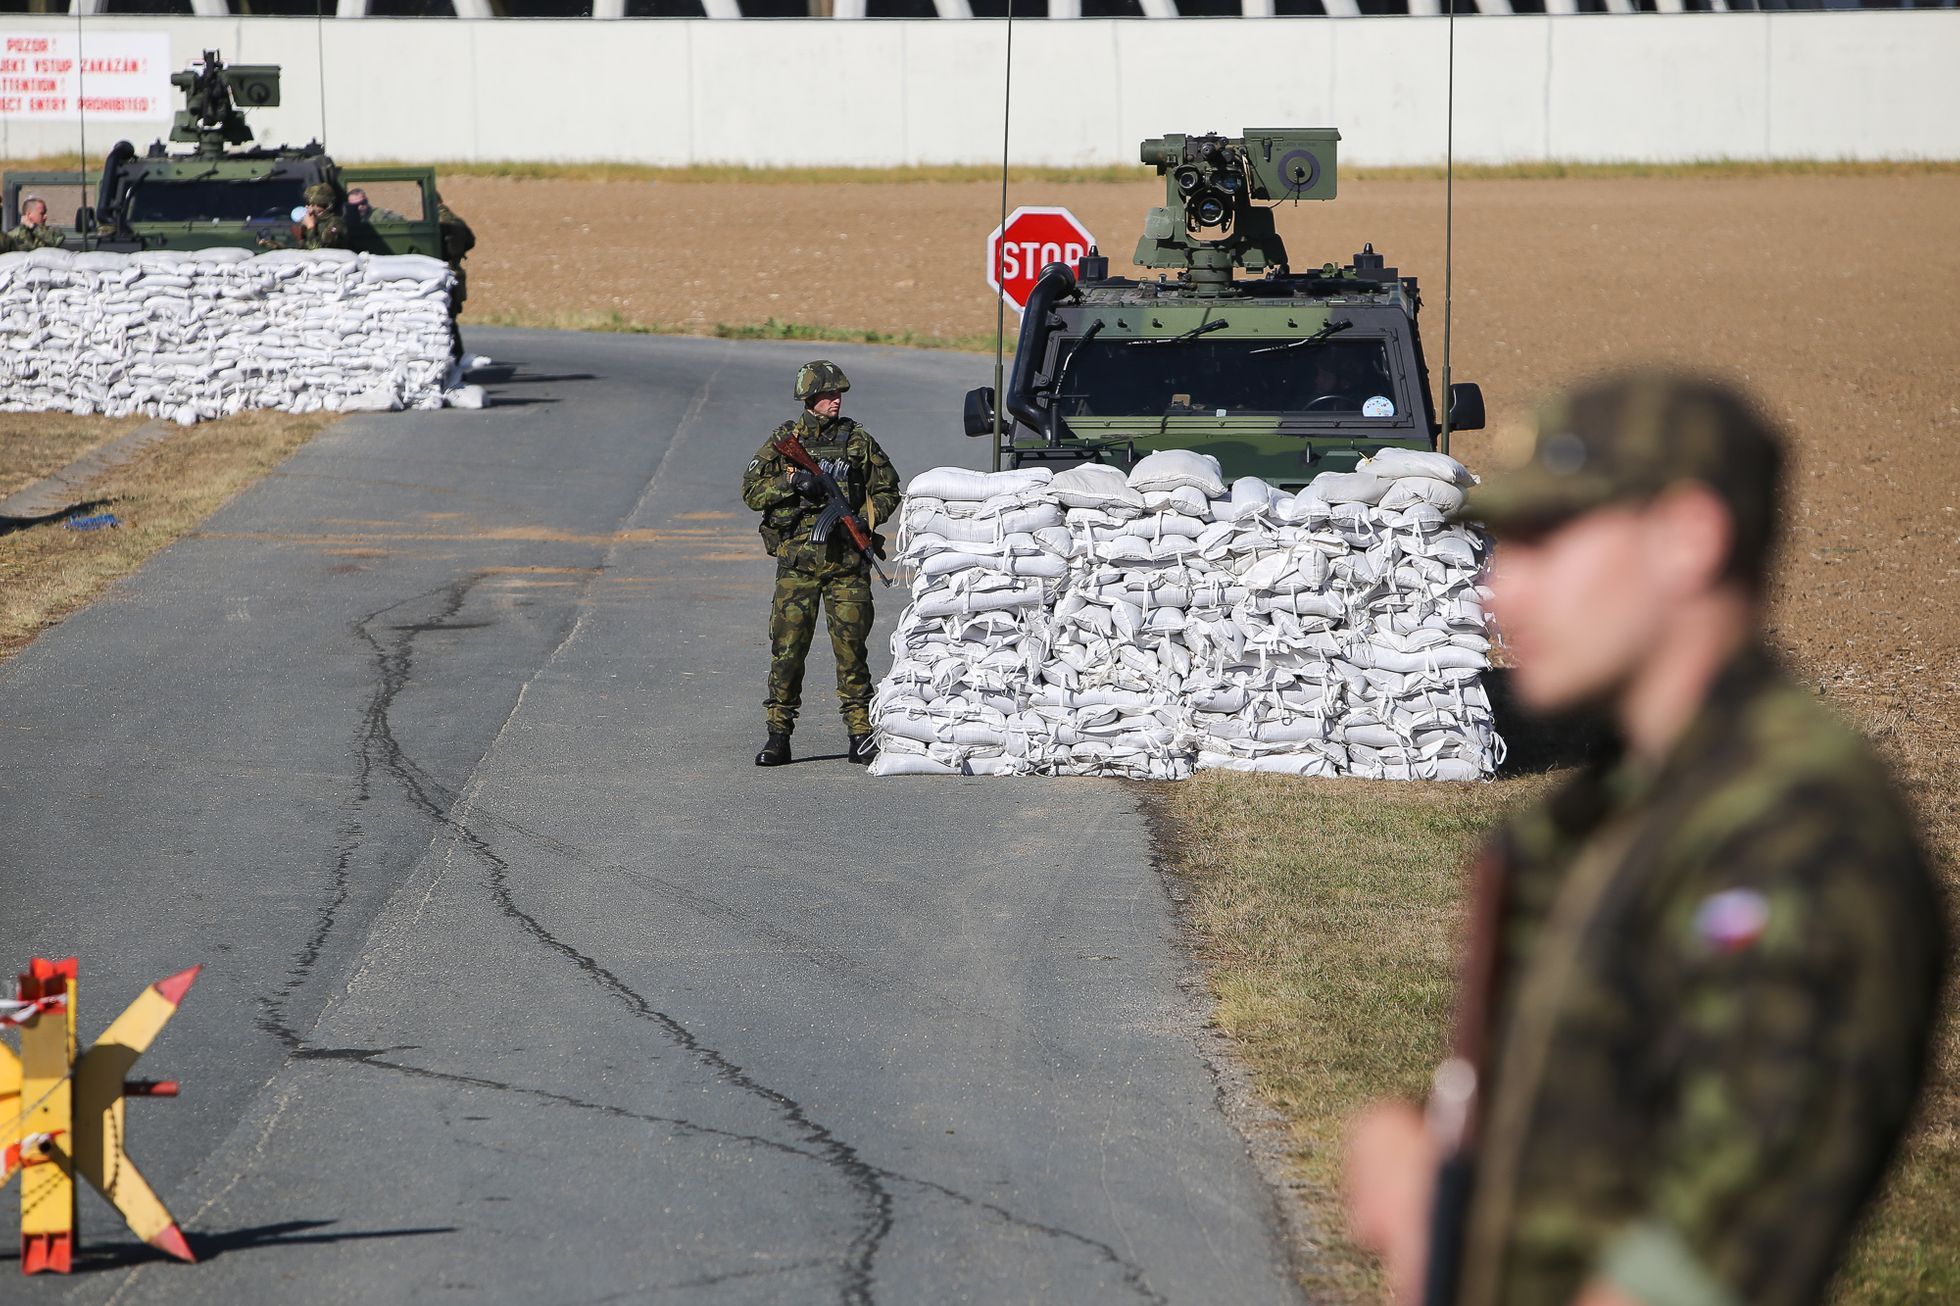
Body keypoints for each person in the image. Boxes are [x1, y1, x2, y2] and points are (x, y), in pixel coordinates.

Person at [1344, 370, 1947, 1306]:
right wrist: (1428, 1162)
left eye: (1547, 541)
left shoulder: (1801, 835)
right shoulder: (1620, 811)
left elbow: (1712, 1258)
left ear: (1687, 538)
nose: (1501, 592)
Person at [740, 360, 900, 768]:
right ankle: (779, 734)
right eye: (829, 394)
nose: (836, 400)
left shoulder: (857, 440)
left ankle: (860, 732)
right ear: (810, 399)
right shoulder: (785, 440)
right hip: (798, 566)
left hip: (847, 565)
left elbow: (888, 489)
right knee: (787, 652)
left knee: (851, 652)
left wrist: (865, 518)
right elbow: (752, 492)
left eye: (839, 394)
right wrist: (791, 482)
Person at [435, 190, 477, 363]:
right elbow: (471, 240)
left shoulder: (435, 221)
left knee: (447, 322)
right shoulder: (455, 219)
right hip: (455, 274)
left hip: (443, 276)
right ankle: (457, 361)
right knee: (450, 320)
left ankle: (455, 361)